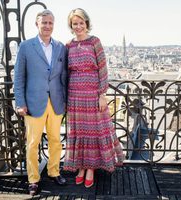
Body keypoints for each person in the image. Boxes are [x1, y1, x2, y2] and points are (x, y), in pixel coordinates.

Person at [63, 8, 124, 188]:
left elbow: (103, 69)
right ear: (71, 26)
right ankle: (81, 166)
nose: (79, 26)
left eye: (82, 22)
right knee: (79, 130)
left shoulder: (94, 42)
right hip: (75, 94)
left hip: (92, 93)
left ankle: (91, 167)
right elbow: (66, 72)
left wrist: (102, 94)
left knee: (95, 129)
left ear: (87, 24)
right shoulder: (68, 45)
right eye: (75, 23)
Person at [14, 9, 68, 195]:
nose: (47, 26)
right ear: (37, 24)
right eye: (44, 22)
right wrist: (20, 102)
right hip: (33, 103)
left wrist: (66, 100)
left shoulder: (61, 47)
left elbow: (63, 76)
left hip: (56, 102)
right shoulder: (26, 47)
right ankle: (33, 179)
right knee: (32, 143)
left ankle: (54, 171)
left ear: (54, 25)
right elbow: (19, 77)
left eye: (50, 23)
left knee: (55, 140)